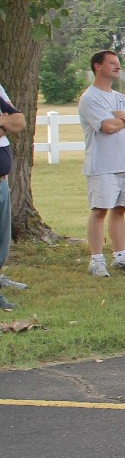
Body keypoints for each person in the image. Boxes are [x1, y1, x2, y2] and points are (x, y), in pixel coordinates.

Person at [78, 50, 125, 277]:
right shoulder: (90, 98)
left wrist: (121, 116)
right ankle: (97, 260)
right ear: (98, 66)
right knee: (100, 210)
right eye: (112, 63)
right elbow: (107, 127)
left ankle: (121, 256)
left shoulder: (121, 98)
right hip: (102, 165)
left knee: (120, 209)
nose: (118, 66)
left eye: (118, 63)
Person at [0, 80, 24, 311]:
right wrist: (3, 124)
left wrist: (4, 123)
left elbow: (19, 121)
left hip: (2, 183)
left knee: (2, 243)